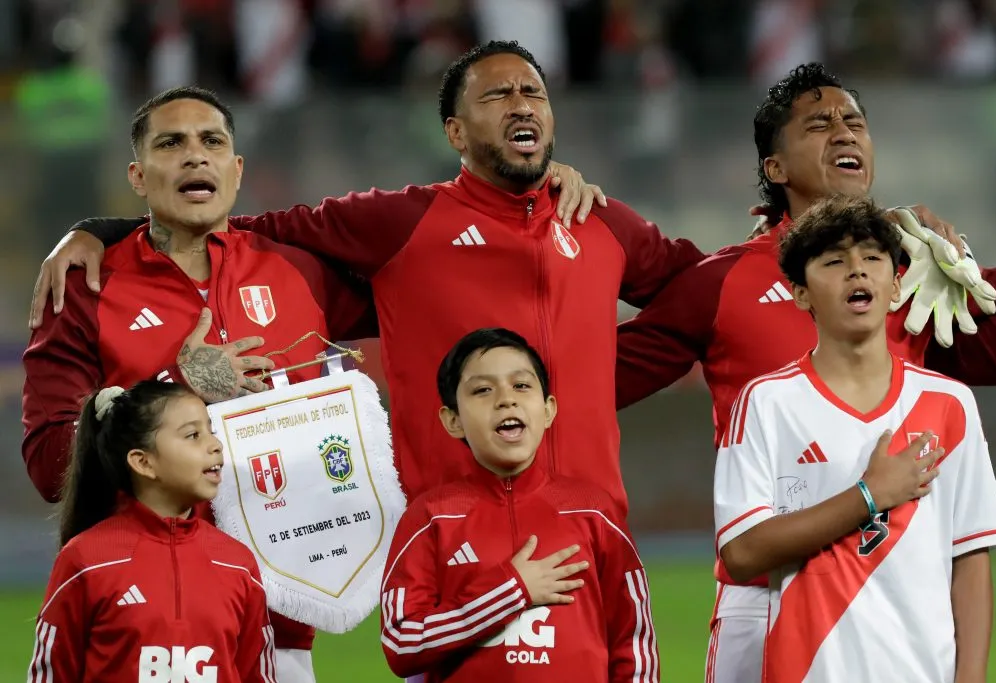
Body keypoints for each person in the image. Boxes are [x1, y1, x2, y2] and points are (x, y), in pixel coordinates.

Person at [29, 40, 705, 517]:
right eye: (498, 94)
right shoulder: (399, 226)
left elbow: (699, 292)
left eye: (533, 92)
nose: (520, 104)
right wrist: (100, 230)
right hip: (448, 532)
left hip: (591, 523)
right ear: (455, 133)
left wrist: (593, 381)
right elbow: (232, 223)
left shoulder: (597, 220)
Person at [613, 63, 996, 683]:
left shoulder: (913, 274)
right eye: (819, 124)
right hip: (764, 593)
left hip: (888, 585)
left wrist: (957, 259)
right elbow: (590, 382)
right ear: (775, 168)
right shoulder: (721, 283)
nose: (844, 132)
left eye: (855, 121)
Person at [21, 86, 378, 682]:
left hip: (283, 622)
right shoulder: (84, 288)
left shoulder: (299, 270)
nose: (195, 154)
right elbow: (49, 463)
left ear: (236, 170)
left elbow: (424, 288)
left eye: (212, 141)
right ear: (138, 176)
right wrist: (177, 383)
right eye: (170, 143)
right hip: (147, 624)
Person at [714, 195, 996, 683]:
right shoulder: (766, 402)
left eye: (872, 258)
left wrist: (972, 676)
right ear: (801, 293)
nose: (857, 270)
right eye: (834, 262)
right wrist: (869, 496)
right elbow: (742, 554)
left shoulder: (949, 403)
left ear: (895, 287)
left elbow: (970, 557)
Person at [380, 328, 658, 682]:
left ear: (548, 409)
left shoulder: (594, 512)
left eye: (522, 385)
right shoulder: (430, 517)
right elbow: (402, 643)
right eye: (483, 390)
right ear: (453, 420)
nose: (506, 400)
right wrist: (512, 590)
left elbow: (634, 641)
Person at [27, 381, 277, 683]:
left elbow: (257, 674)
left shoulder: (238, 563)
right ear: (143, 462)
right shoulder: (86, 560)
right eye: (193, 435)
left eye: (211, 431)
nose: (216, 445)